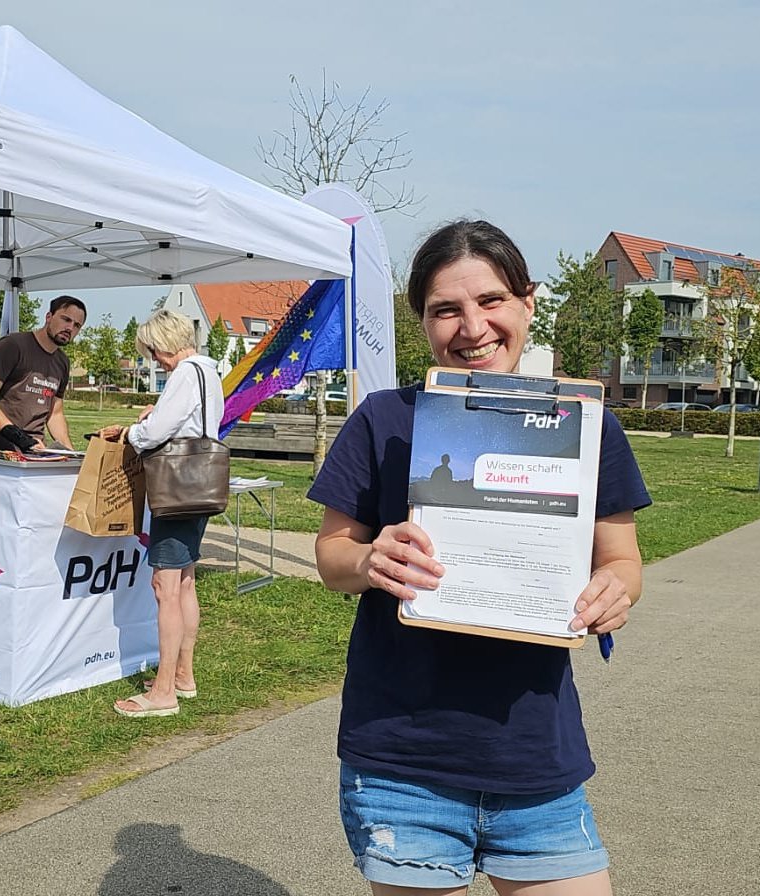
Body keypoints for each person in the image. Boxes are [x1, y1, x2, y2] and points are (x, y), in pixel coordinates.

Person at [309, 220, 651, 895]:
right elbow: (330, 557)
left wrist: (615, 589)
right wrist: (371, 558)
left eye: (491, 301)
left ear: (526, 303)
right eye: (446, 309)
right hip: (403, 761)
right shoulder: (381, 420)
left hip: (535, 759)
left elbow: (623, 561)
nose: (472, 327)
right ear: (423, 323)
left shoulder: (585, 425)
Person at [99, 310, 224, 719]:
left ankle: (164, 689)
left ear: (164, 343)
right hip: (201, 488)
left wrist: (132, 433)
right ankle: (183, 676)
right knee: (185, 583)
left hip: (176, 490)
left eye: (153, 352)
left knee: (165, 587)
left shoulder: (185, 373)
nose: (155, 360)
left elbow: (155, 434)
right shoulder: (209, 370)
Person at [0, 295, 86, 452]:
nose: (70, 328)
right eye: (66, 319)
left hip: (36, 450)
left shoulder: (63, 362)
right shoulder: (13, 346)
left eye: (77, 325)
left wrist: (70, 452)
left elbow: (55, 414)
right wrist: (18, 437)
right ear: (49, 317)